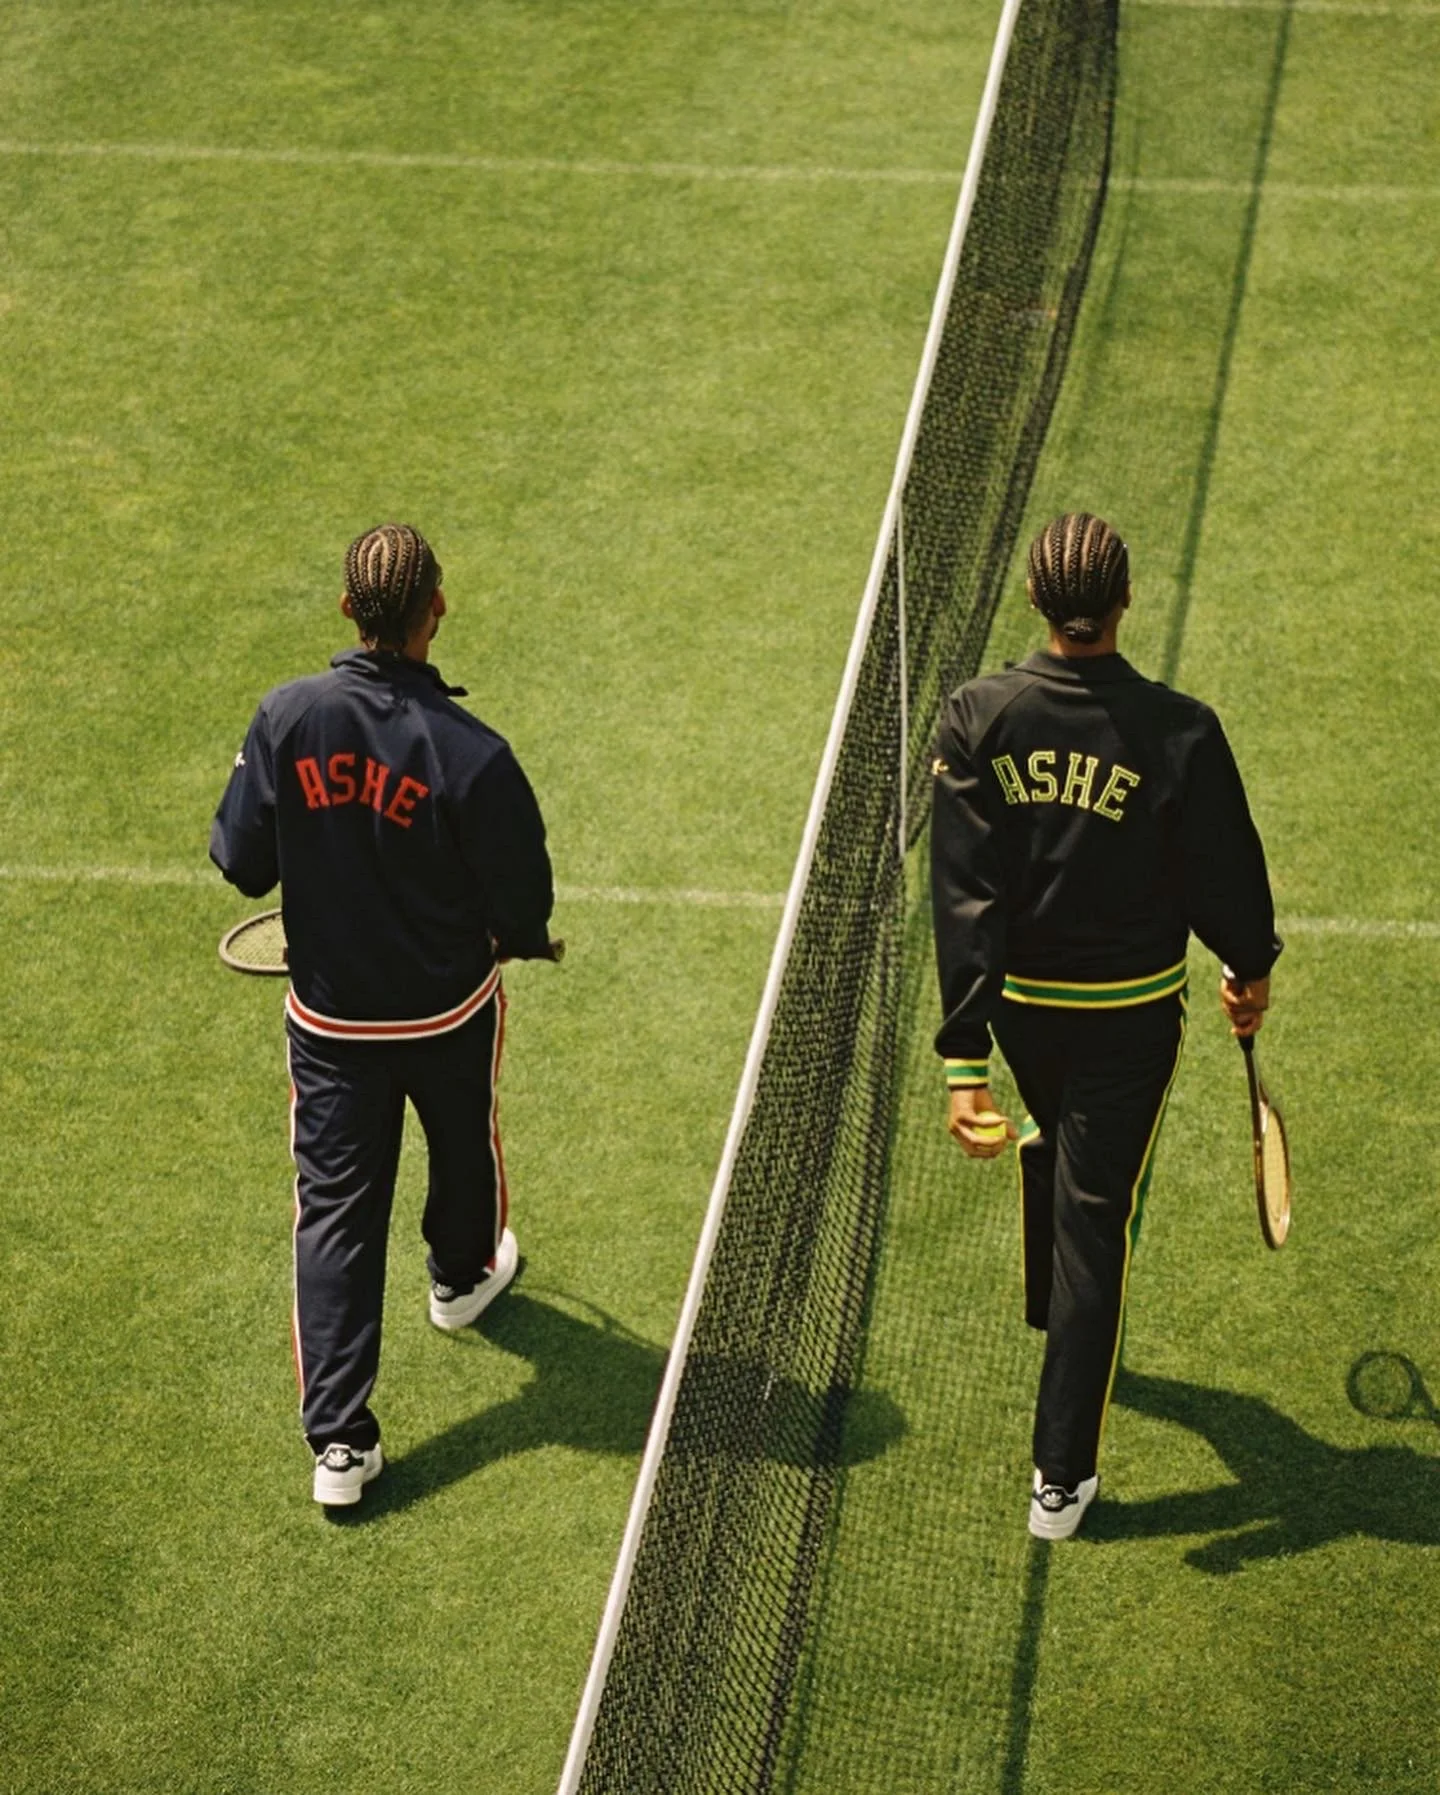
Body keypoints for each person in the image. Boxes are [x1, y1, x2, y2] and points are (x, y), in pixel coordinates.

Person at [930, 512, 1278, 1541]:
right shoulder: (1182, 730)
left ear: (1036, 601)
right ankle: (1059, 1477)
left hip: (1027, 1020)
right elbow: (1225, 871)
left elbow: (964, 896)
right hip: (1130, 1021)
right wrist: (1248, 968)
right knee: (1099, 1223)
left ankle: (1050, 1307)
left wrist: (963, 1058)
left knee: (1062, 1149)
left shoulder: (976, 718)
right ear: (1126, 601)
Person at [210, 523, 555, 1507]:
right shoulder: (474, 753)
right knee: (463, 1142)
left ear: (347, 611)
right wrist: (511, 936)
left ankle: (341, 1450)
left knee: (334, 1217)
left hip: (332, 1028)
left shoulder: (285, 718)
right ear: (434, 608)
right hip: (448, 1010)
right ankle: (459, 1279)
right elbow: (523, 898)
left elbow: (241, 862)